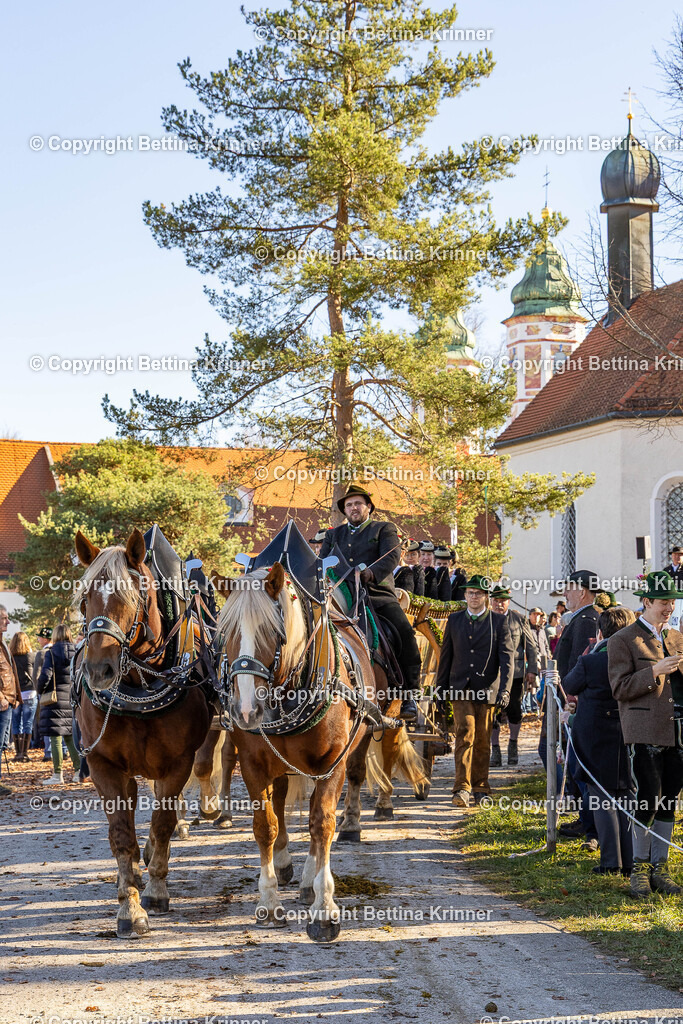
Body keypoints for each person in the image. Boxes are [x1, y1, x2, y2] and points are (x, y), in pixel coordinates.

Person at [609, 570, 683, 897]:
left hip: (678, 732)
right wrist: (654, 671)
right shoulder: (622, 639)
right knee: (647, 799)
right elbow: (620, 688)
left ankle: (660, 869)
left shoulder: (678, 637)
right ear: (647, 601)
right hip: (644, 732)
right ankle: (638, 869)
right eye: (663, 601)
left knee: (669, 800)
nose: (669, 607)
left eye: (672, 602)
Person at [319, 484, 420, 721]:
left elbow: (392, 557)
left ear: (368, 507)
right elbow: (321, 563)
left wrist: (370, 574)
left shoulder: (384, 528)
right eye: (349, 505)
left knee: (405, 634)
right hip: (339, 597)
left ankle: (410, 696)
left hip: (376, 596)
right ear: (344, 510)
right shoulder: (333, 535)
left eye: (358, 503)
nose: (354, 508)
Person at [564, 606, 636, 876]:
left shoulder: (592, 661)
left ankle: (610, 862)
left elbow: (570, 685)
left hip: (595, 737)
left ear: (601, 632)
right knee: (626, 795)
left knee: (601, 798)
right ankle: (629, 862)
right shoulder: (637, 659)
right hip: (627, 734)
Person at [434, 574, 514, 807]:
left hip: (488, 690)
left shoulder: (499, 622)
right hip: (460, 688)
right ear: (465, 595)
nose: (474, 597)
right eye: (470, 593)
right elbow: (446, 657)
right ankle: (461, 788)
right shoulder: (455, 620)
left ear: (486, 597)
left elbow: (507, 661)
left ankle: (481, 786)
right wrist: (440, 689)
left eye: (478, 593)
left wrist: (505, 691)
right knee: (465, 734)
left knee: (482, 740)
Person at [489, 586, 539, 766]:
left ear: (508, 602)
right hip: (492, 674)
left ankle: (513, 744)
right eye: (495, 600)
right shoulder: (486, 619)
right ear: (491, 601)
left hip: (516, 674)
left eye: (502, 600)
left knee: (514, 711)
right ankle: (495, 749)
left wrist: (532, 669)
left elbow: (531, 647)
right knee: (492, 712)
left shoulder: (518, 619)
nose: (498, 604)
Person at [36, 623, 80, 786]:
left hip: (54, 700)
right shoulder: (77, 651)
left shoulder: (51, 653)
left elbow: (46, 675)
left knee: (55, 738)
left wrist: (40, 689)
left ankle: (58, 774)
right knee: (69, 736)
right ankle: (78, 771)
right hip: (71, 698)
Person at [0, 606, 22, 797]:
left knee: (2, 744)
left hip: (7, 701)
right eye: (3, 618)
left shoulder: (2, 642)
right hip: (2, 701)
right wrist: (2, 698)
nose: (7, 621)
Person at [9, 632, 36, 762]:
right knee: (28, 723)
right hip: (30, 692)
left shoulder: (10, 657)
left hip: (15, 694)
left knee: (16, 723)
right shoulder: (30, 656)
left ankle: (18, 753)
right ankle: (24, 753)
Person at [32, 627, 54, 759]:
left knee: (46, 722)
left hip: (45, 692)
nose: (38, 639)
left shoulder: (41, 653)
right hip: (62, 692)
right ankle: (62, 750)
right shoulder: (59, 651)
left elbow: (36, 676)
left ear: (45, 639)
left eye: (39, 637)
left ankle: (49, 752)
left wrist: (38, 691)